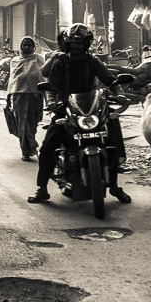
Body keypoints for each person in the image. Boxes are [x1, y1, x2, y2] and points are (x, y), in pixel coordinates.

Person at [30, 23, 130, 204]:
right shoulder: (59, 61)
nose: (76, 46)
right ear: (67, 43)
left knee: (112, 140)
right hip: (64, 107)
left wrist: (120, 95)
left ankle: (114, 186)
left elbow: (110, 80)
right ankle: (42, 188)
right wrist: (52, 101)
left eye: (80, 43)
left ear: (87, 44)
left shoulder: (93, 61)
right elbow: (50, 86)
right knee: (48, 146)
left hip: (91, 108)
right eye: (73, 42)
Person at [7, 36, 45, 161]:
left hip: (36, 95)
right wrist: (8, 97)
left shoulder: (39, 59)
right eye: (24, 45)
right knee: (23, 123)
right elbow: (12, 80)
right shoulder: (15, 61)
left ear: (33, 47)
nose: (27, 47)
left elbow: (44, 76)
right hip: (20, 95)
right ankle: (28, 149)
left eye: (29, 45)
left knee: (33, 123)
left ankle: (29, 146)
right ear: (20, 47)